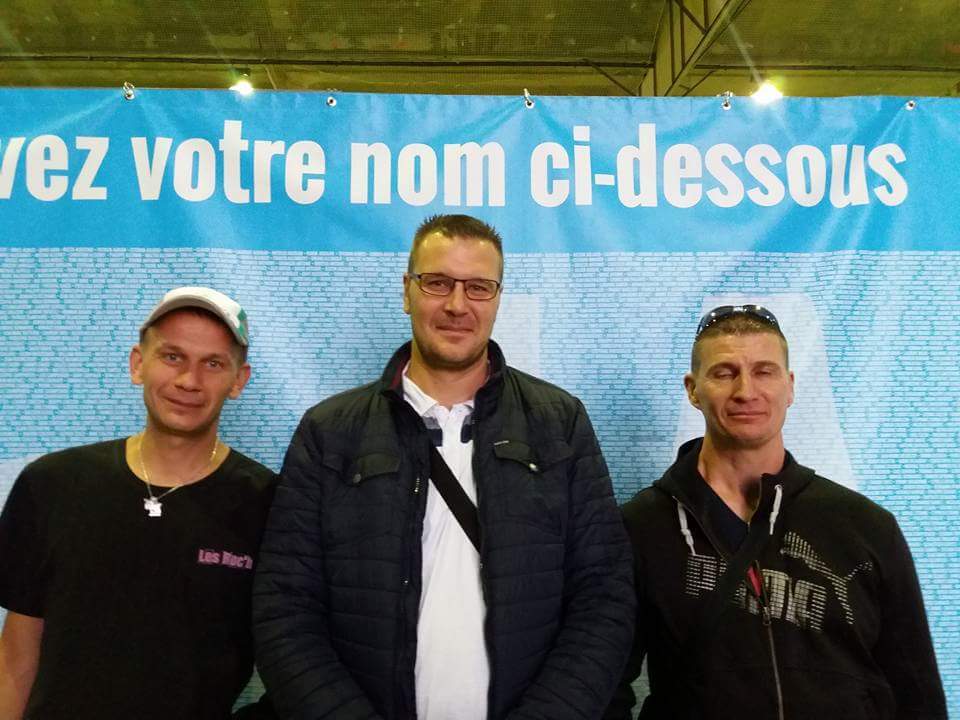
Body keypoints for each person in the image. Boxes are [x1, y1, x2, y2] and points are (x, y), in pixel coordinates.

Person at [253, 214, 634, 720]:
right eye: (437, 283)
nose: (457, 305)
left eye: (478, 287)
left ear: (497, 298)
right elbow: (285, 607)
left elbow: (603, 596)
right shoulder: (329, 432)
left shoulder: (559, 423)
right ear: (406, 291)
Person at [605, 304, 947, 720]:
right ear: (693, 390)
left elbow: (917, 692)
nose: (746, 391)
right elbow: (604, 685)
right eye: (724, 373)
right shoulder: (640, 527)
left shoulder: (865, 527)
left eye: (764, 372)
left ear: (790, 386)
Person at [0, 287, 277, 720]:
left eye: (213, 364)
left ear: (238, 380)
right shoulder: (52, 484)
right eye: (172, 356)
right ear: (137, 364)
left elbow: (295, 653)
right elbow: (17, 653)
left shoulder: (269, 504)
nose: (189, 380)